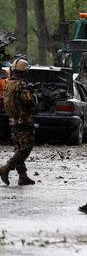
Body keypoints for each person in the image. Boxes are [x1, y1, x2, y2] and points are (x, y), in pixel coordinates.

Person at [0, 58, 37, 186]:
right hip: (24, 120)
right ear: (24, 71)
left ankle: (23, 175)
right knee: (25, 149)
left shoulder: (8, 83)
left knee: (19, 147)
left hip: (13, 120)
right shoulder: (21, 85)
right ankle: (6, 168)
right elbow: (30, 103)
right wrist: (32, 93)